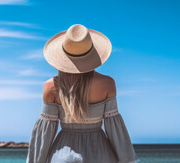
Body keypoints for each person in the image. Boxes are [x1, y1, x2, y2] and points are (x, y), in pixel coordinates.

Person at [26, 24, 140, 163]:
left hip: (63, 155)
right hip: (100, 154)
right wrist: (127, 160)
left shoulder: (51, 86)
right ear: (92, 54)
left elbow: (44, 134)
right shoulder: (107, 83)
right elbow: (115, 130)